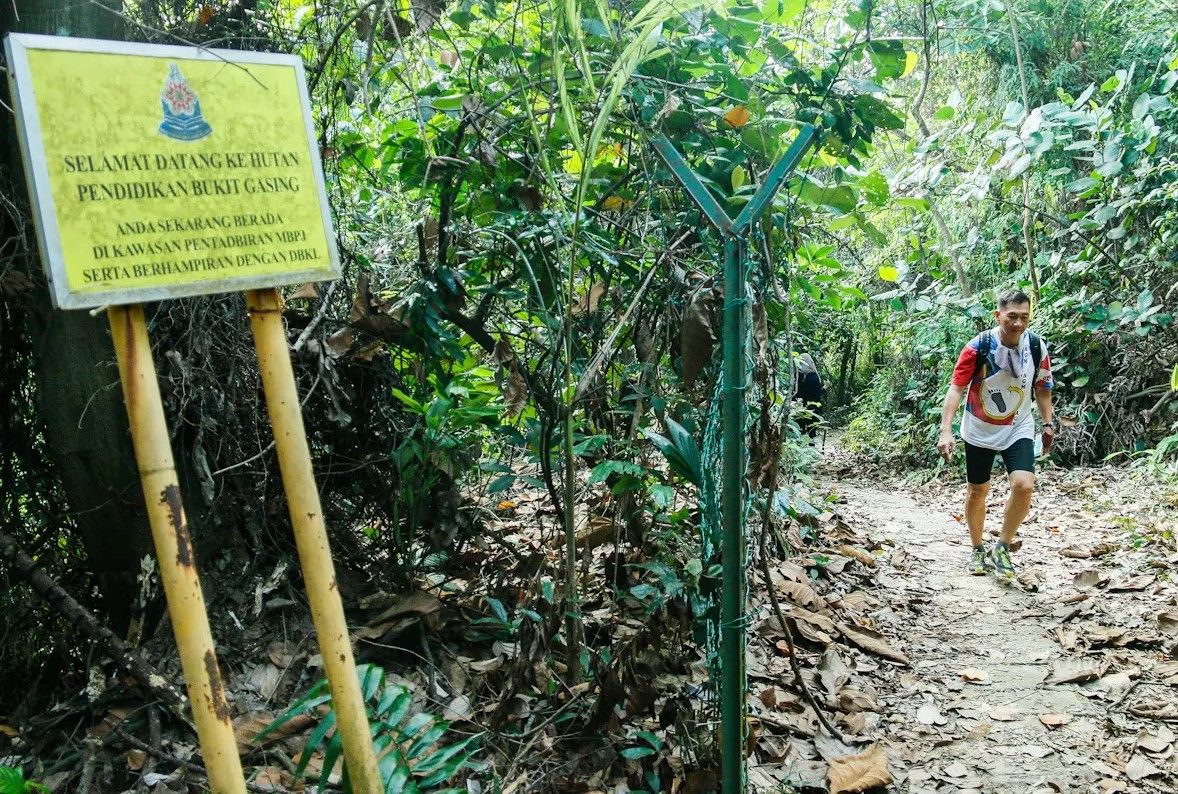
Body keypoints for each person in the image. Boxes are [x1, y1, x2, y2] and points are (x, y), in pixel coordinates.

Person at [937, 289, 1056, 580]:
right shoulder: (979, 346)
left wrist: (1048, 424)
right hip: (979, 429)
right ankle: (978, 548)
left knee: (1024, 484)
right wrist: (945, 430)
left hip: (1018, 425)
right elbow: (956, 388)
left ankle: (1002, 546)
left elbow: (1043, 388)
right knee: (978, 490)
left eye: (1024, 317)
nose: (1018, 323)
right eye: (1012, 317)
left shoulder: (1037, 347)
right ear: (998, 315)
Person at [795, 353, 826, 439]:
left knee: (799, 431)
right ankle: (811, 449)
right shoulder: (813, 376)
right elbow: (817, 393)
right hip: (812, 408)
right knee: (812, 431)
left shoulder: (797, 376)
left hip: (798, 407)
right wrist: (825, 387)